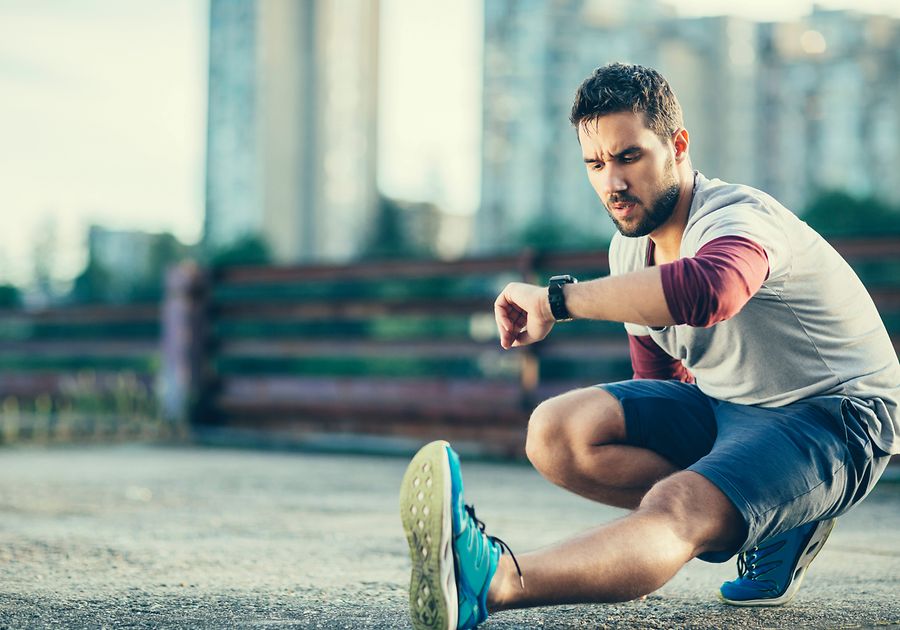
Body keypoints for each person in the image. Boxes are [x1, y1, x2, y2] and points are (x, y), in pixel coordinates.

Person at [399, 62, 900, 630]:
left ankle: (491, 582)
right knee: (558, 431)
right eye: (596, 163)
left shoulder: (738, 219)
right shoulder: (628, 252)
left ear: (677, 145)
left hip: (835, 416)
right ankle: (754, 520)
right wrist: (626, 554)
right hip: (732, 412)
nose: (612, 182)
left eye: (628, 156)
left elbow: (710, 291)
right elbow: (658, 388)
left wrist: (557, 302)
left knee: (678, 506)